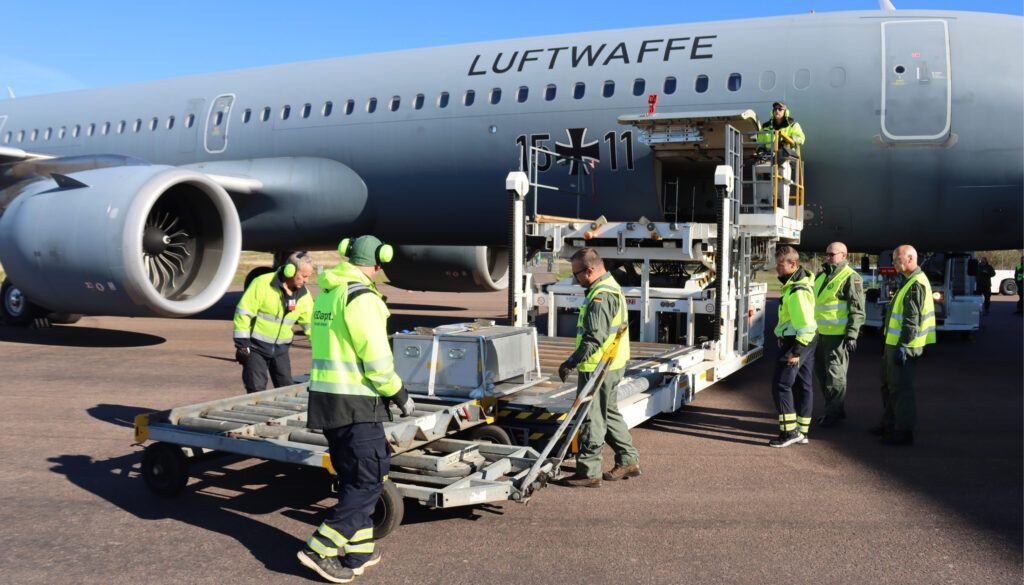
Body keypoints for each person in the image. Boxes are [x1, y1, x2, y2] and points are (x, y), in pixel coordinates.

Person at [297, 235, 415, 584]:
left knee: (352, 479)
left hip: (328, 401)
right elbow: (377, 361)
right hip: (358, 402)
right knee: (370, 479)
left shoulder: (329, 293)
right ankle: (320, 548)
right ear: (379, 262)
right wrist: (400, 395)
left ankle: (360, 551)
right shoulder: (362, 299)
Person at [557, 248, 640, 488]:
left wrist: (571, 362)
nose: (575, 279)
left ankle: (589, 471)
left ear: (590, 270)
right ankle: (629, 460)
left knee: (591, 418)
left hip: (599, 367)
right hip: (612, 363)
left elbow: (594, 338)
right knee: (609, 412)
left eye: (577, 274)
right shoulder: (610, 286)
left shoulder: (600, 297)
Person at [872, 245, 936, 446]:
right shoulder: (908, 281)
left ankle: (904, 431)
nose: (893, 263)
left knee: (901, 389)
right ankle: (889, 424)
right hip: (894, 344)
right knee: (889, 386)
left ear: (910, 259)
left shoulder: (916, 284)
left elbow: (911, 320)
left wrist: (903, 345)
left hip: (903, 346)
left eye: (897, 260)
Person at [233, 251, 314, 394]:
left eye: (308, 276)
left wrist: (320, 348)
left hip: (281, 350)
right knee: (256, 390)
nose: (306, 281)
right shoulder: (262, 283)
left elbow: (310, 325)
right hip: (255, 348)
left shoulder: (304, 295)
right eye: (304, 276)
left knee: (286, 389)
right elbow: (244, 313)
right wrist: (242, 345)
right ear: (290, 271)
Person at [812, 242, 865, 427]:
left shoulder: (851, 277)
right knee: (822, 374)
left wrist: (852, 335)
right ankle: (832, 409)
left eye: (831, 254)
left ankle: (834, 413)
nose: (827, 257)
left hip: (836, 336)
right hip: (818, 335)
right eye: (826, 254)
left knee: (835, 375)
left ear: (844, 255)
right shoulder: (821, 275)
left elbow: (857, 309)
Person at [769, 245, 818, 448]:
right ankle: (802, 431)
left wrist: (796, 350)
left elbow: (805, 325)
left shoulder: (797, 290)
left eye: (781, 265)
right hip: (801, 339)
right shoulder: (795, 285)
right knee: (803, 385)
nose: (777, 269)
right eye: (777, 264)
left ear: (793, 264)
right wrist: (783, 334)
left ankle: (789, 432)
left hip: (800, 341)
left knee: (781, 385)